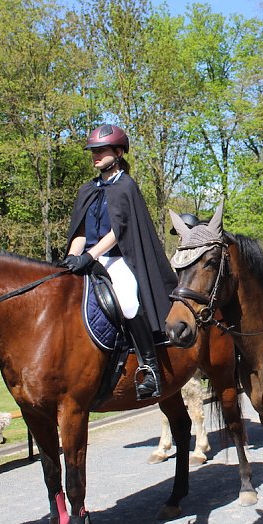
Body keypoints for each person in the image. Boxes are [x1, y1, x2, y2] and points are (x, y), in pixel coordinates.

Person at [63, 124, 178, 400]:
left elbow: (119, 231)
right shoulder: (88, 190)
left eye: (100, 150)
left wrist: (90, 256)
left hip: (117, 257)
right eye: (93, 151)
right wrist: (70, 259)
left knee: (128, 302)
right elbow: (80, 232)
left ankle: (149, 369)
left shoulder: (125, 187)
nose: (95, 156)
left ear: (118, 151)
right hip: (86, 258)